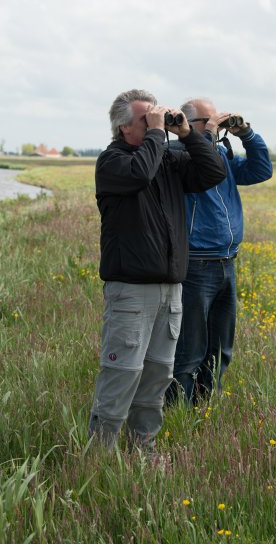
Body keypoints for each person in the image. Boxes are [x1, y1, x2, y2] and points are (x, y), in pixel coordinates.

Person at [88, 89, 226, 449]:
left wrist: (188, 135)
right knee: (123, 373)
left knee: (157, 376)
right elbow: (139, 175)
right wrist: (155, 134)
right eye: (144, 121)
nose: (155, 126)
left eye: (156, 119)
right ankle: (99, 457)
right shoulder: (112, 162)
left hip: (170, 290)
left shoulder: (166, 158)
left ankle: (142, 452)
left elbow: (213, 172)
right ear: (123, 128)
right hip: (131, 291)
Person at [166, 98, 273, 405]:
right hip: (197, 264)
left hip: (227, 263)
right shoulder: (178, 155)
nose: (217, 125)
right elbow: (195, 154)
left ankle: (205, 408)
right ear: (186, 125)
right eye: (209, 121)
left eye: (218, 120)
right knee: (190, 350)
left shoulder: (222, 157)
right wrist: (206, 134)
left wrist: (246, 134)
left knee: (220, 349)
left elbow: (260, 171)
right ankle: (179, 413)